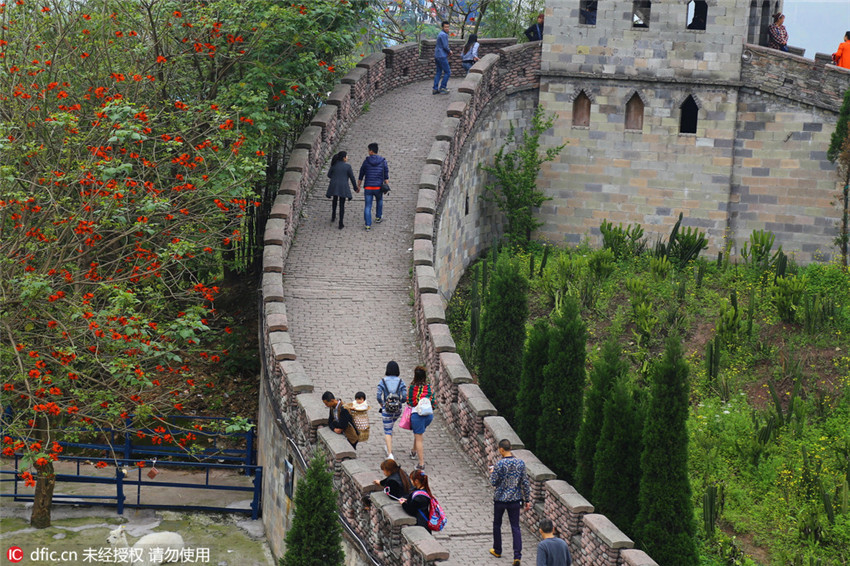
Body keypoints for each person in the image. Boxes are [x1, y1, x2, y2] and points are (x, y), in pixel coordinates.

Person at [489, 439, 531, 566]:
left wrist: (492, 473)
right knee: (515, 527)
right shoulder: (520, 463)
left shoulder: (499, 464)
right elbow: (525, 483)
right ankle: (517, 556)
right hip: (515, 500)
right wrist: (527, 500)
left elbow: (493, 482)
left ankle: (497, 550)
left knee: (497, 524)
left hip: (500, 500)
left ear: (501, 449)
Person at [377, 360, 407, 460]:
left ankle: (390, 454)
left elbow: (378, 395)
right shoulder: (401, 381)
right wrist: (400, 402)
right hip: (397, 410)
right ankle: (388, 445)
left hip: (387, 409)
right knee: (391, 426)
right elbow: (405, 396)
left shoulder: (383, 381)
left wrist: (382, 403)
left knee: (388, 431)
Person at [407, 365, 434, 471]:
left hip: (417, 416)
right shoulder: (428, 387)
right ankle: (413, 451)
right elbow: (433, 401)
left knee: (419, 438)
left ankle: (421, 463)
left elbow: (410, 401)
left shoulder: (412, 387)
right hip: (428, 416)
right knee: (418, 433)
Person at [357, 142, 389, 230]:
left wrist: (358, 185)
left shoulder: (366, 161)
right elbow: (386, 174)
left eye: (368, 150)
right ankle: (378, 217)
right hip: (378, 187)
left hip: (368, 187)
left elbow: (361, 174)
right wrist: (387, 185)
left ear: (371, 151)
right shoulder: (383, 161)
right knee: (379, 200)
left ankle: (368, 224)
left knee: (368, 206)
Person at [325, 150, 358, 230]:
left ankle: (333, 215)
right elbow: (352, 177)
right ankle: (341, 222)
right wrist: (355, 187)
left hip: (334, 185)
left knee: (335, 200)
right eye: (346, 156)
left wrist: (335, 178)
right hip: (343, 186)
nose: (347, 157)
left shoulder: (334, 165)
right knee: (342, 204)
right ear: (343, 158)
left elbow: (329, 174)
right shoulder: (347, 166)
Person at [433, 21, 452, 95]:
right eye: (445, 27)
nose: (447, 28)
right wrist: (449, 51)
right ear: (442, 27)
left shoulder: (440, 34)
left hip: (437, 55)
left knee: (438, 72)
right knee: (447, 72)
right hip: (442, 56)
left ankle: (435, 88)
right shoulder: (444, 35)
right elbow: (445, 46)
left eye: (448, 27)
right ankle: (443, 87)